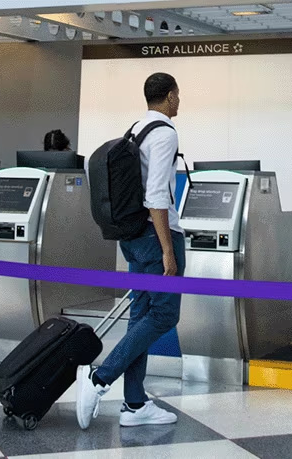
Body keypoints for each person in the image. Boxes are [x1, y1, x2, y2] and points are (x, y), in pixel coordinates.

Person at [76, 72, 185, 429]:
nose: (179, 102)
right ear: (169, 97)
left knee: (140, 315)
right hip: (156, 236)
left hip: (133, 235)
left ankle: (135, 405)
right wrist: (168, 249)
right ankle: (99, 378)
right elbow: (156, 195)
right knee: (164, 315)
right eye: (178, 96)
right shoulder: (165, 133)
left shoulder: (135, 129)